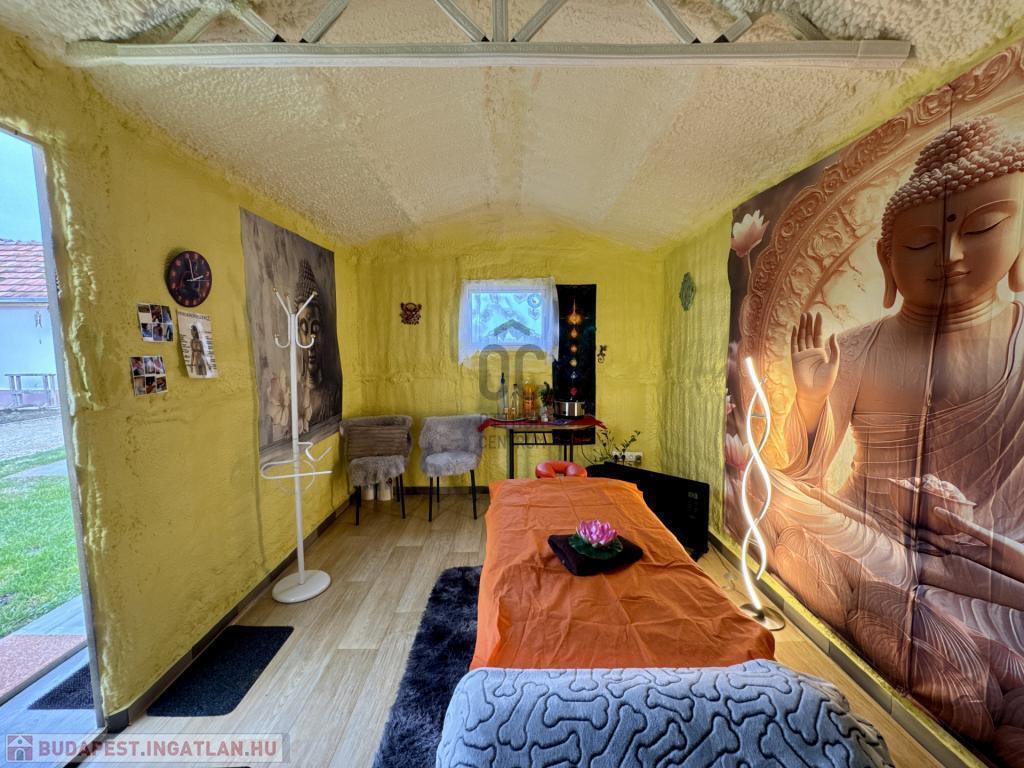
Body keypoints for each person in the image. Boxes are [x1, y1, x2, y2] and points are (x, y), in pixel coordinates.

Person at [754, 117, 1024, 752]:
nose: (950, 255)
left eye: (982, 227)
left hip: (986, 558)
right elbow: (803, 474)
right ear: (888, 259)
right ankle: (932, 644)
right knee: (777, 504)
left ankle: (939, 643)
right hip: (869, 529)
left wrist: (974, 534)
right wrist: (812, 398)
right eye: (922, 241)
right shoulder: (855, 348)